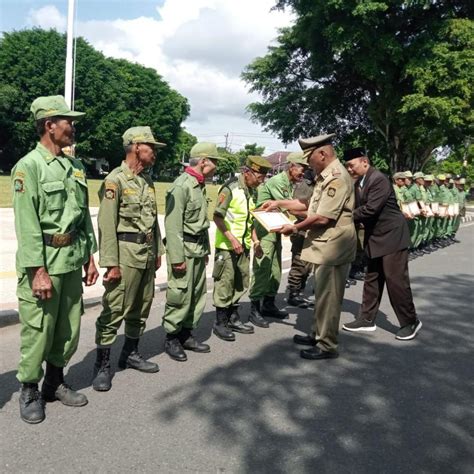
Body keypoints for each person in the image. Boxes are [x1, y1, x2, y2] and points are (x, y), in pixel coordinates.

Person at [11, 95, 99, 424]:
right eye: (68, 122)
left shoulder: (75, 167)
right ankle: (30, 388)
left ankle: (54, 382)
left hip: (72, 258)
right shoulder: (28, 167)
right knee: (39, 329)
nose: (72, 127)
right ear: (50, 125)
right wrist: (37, 271)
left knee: (68, 328)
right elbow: (27, 224)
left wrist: (90, 256)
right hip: (44, 261)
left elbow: (83, 217)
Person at [261, 134, 356, 359]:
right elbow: (307, 204)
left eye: (309, 157)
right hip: (325, 245)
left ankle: (326, 345)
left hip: (334, 246)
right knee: (321, 295)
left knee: (329, 298)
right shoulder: (325, 177)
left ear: (322, 154)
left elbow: (322, 217)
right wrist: (278, 203)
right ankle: (316, 334)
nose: (308, 164)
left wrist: (293, 228)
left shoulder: (336, 178)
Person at [92, 127, 166, 392]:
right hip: (124, 256)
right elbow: (106, 224)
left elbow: (152, 220)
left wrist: (158, 251)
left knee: (141, 308)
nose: (154, 152)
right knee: (114, 310)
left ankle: (130, 353)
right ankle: (102, 364)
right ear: (136, 147)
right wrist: (111, 264)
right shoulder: (115, 180)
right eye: (151, 147)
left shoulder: (147, 180)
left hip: (145, 255)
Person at [342, 148, 422, 340]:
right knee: (372, 279)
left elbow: (370, 209)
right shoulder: (359, 182)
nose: (349, 169)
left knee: (396, 282)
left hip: (392, 236)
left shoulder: (378, 179)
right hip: (376, 237)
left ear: (364, 162)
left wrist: (342, 217)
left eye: (351, 165)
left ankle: (410, 322)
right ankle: (367, 319)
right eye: (347, 166)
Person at [162, 142, 225, 361]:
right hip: (184, 250)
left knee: (197, 295)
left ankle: (186, 335)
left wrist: (206, 249)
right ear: (204, 161)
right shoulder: (182, 186)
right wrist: (177, 257)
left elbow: (201, 223)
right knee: (180, 294)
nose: (216, 167)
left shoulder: (199, 185)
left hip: (198, 248)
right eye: (215, 162)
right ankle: (172, 337)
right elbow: (172, 225)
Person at [212, 156, 272, 341]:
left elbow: (250, 220)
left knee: (241, 282)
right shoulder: (230, 188)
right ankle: (220, 322)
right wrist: (232, 239)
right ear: (248, 173)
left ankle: (233, 317)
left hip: (244, 246)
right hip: (227, 247)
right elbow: (217, 216)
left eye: (263, 177)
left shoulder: (251, 192)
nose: (261, 181)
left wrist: (255, 242)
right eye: (259, 177)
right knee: (225, 283)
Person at [248, 153, 309, 327]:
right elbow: (292, 208)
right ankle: (255, 308)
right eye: (301, 169)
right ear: (292, 166)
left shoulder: (288, 183)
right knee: (263, 268)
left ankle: (269, 304)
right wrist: (313, 216)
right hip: (264, 230)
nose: (303, 173)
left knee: (275, 269)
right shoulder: (278, 182)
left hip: (275, 228)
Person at [286, 161, 316, 308]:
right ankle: (294, 293)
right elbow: (294, 209)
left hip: (312, 231)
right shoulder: (304, 186)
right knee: (299, 264)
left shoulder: (318, 186)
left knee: (308, 266)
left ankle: (300, 292)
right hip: (301, 231)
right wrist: (312, 215)